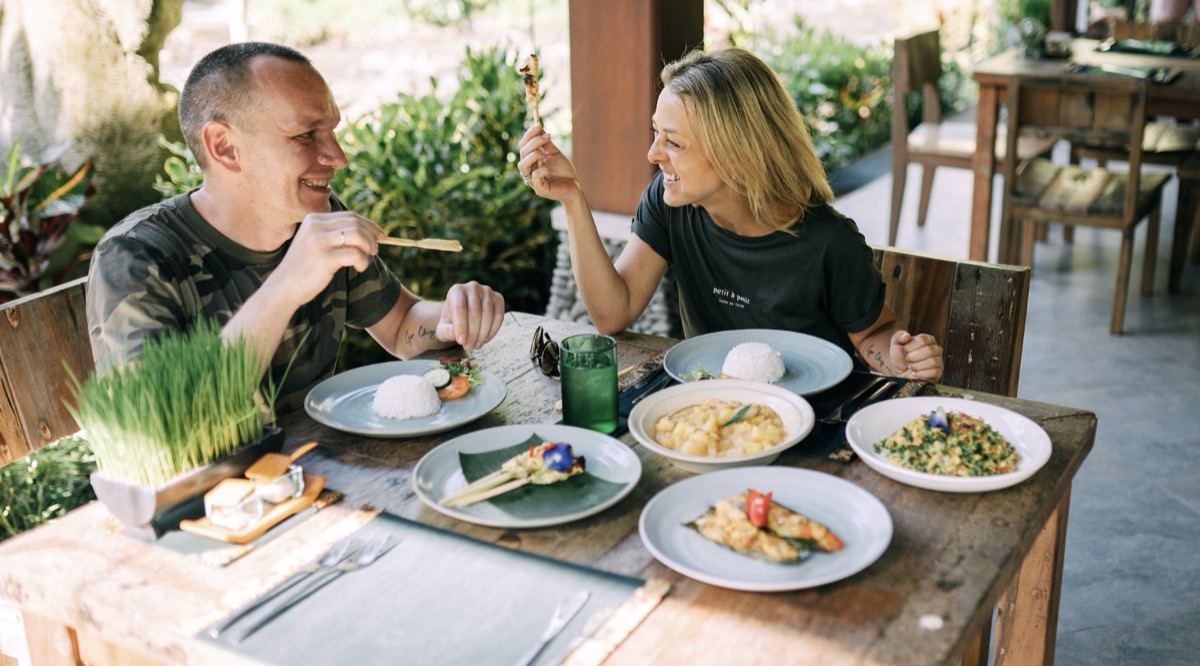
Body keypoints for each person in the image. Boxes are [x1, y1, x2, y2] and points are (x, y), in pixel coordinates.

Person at [87, 42, 504, 413]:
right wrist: (287, 284)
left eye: (332, 131)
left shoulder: (318, 220)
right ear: (225, 147)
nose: (337, 156)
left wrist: (449, 319)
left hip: (321, 469)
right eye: (306, 135)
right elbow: (161, 422)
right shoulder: (135, 257)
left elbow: (400, 324)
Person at [517, 47, 943, 380]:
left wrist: (903, 357)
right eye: (655, 134)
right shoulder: (672, 205)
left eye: (674, 143)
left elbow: (873, 335)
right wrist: (573, 199)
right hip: (709, 412)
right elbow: (613, 312)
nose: (653, 154)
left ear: (737, 154)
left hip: (811, 425)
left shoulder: (828, 243)